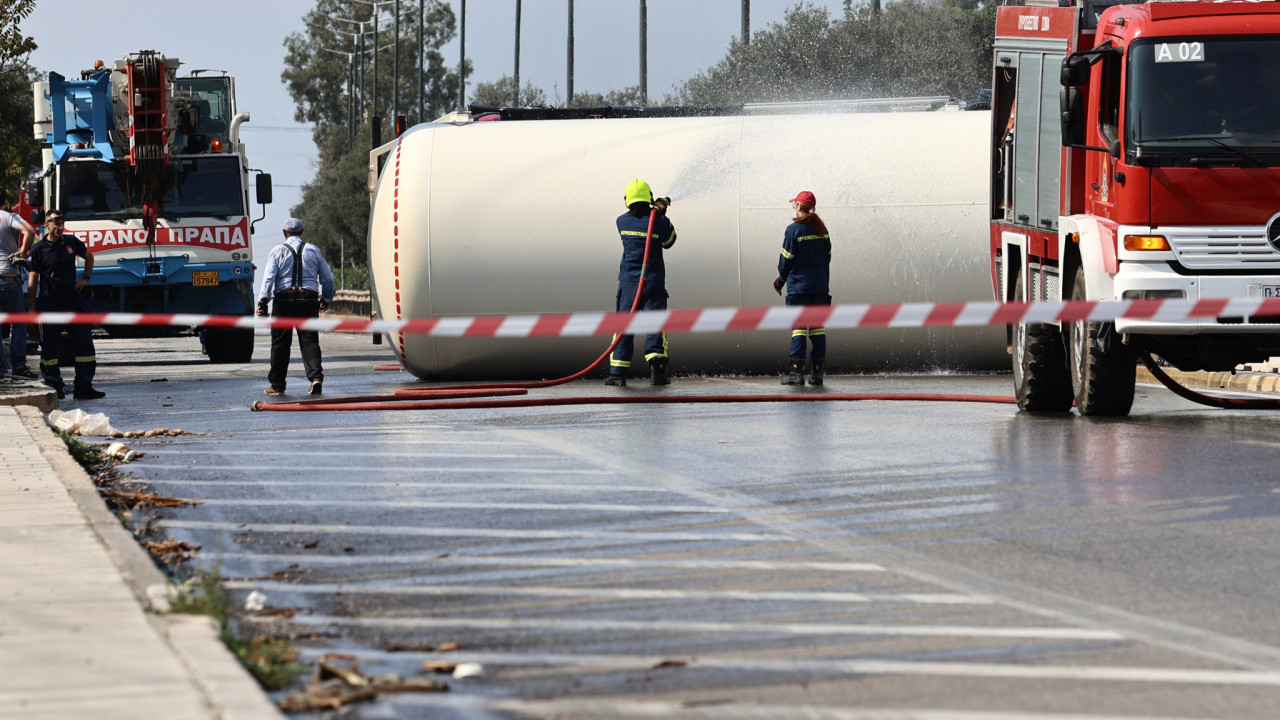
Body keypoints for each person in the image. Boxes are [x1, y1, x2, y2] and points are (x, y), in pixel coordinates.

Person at [27, 209, 104, 400]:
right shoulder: (38, 250)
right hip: (50, 304)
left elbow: (89, 257)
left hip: (73, 302)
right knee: (50, 349)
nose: (60, 226)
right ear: (47, 225)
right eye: (56, 223)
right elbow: (32, 281)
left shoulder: (71, 243)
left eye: (62, 222)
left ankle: (83, 387)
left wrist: (85, 278)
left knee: (85, 344)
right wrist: (31, 310)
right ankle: (55, 387)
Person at [607, 179, 676, 387]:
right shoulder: (660, 222)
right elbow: (669, 242)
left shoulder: (621, 221)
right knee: (655, 324)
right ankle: (657, 371)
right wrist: (662, 215)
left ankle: (618, 374)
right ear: (650, 198)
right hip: (653, 282)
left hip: (629, 283)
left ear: (628, 200)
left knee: (623, 326)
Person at [258, 217, 334, 396]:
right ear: (302, 232)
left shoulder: (277, 251)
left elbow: (269, 278)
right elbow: (327, 278)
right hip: (308, 299)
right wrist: (327, 297)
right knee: (309, 340)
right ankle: (316, 378)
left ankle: (277, 385)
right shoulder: (314, 250)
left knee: (280, 343)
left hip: (284, 300)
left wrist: (263, 301)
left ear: (284, 233)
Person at [774, 190, 832, 386]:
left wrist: (781, 279)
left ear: (799, 206)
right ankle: (817, 375)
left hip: (799, 288)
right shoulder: (822, 229)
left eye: (795, 205)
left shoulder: (793, 230)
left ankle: (796, 374)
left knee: (799, 329)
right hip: (820, 288)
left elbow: (786, 260)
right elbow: (828, 256)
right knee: (817, 330)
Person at [0, 189, 37, 380]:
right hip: (8, 278)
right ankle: (18, 367)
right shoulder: (9, 217)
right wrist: (23, 251)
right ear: (5, 201)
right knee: (19, 323)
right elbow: (30, 231)